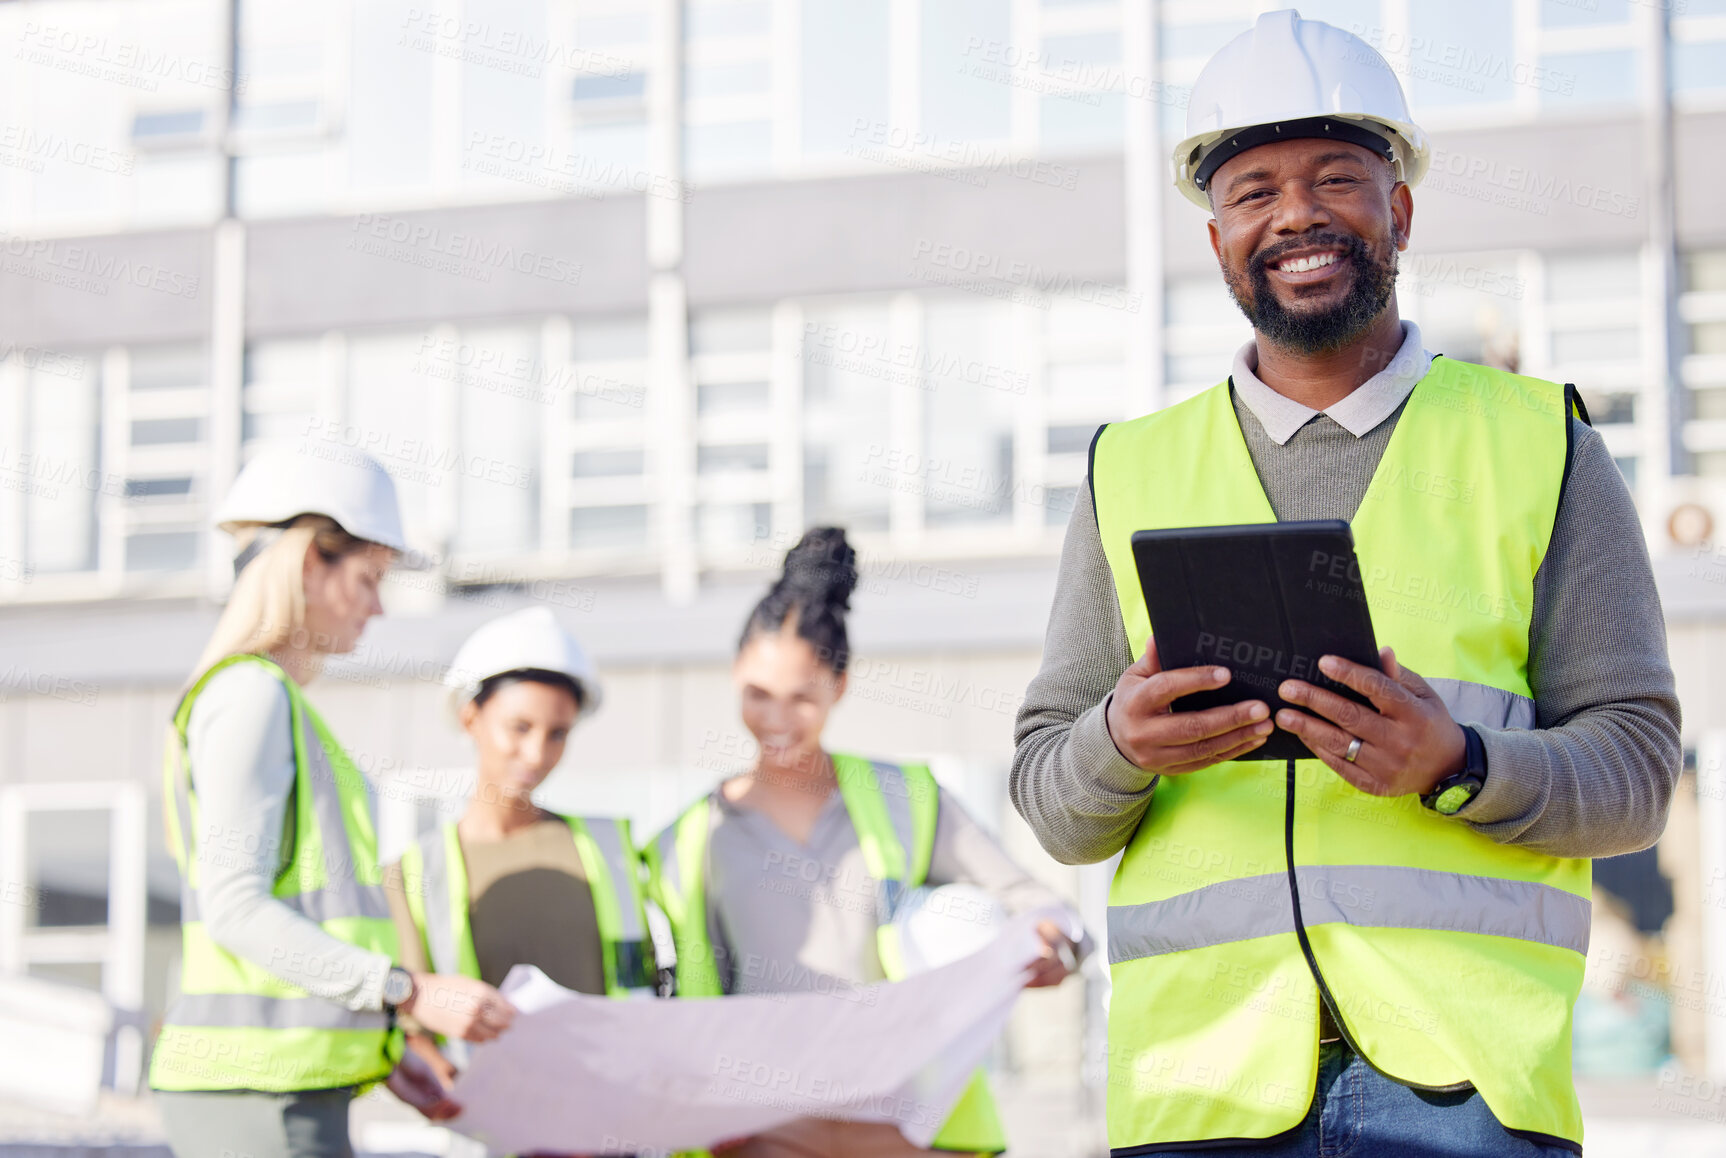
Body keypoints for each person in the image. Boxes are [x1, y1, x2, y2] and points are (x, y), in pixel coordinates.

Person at [1010, 10, 1681, 1157]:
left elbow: (1634, 773)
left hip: (1462, 1096)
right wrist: (1119, 742)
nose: (1296, 215)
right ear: (1217, 237)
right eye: (1254, 190)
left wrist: (1460, 766)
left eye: (1336, 179)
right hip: (1200, 1091)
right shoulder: (1127, 467)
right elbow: (1048, 794)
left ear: (1399, 211)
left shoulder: (1539, 443)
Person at [646, 527, 1086, 1158]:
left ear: (840, 687)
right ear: (735, 675)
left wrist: (1053, 950)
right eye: (757, 694)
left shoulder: (907, 797)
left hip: (906, 1135)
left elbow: (1044, 910)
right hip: (766, 1139)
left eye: (802, 698)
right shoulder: (684, 841)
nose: (775, 720)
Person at [150, 443, 517, 1158]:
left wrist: (383, 1053)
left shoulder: (270, 703)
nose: (379, 607)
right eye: (369, 577)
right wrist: (408, 992)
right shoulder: (250, 697)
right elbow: (237, 909)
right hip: (256, 1096)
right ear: (308, 561)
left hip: (278, 1091)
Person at [386, 605, 656, 1098]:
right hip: (493, 1134)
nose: (537, 755)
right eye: (519, 727)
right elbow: (408, 1029)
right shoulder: (415, 873)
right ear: (471, 717)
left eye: (558, 734)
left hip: (616, 1127)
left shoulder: (611, 850)